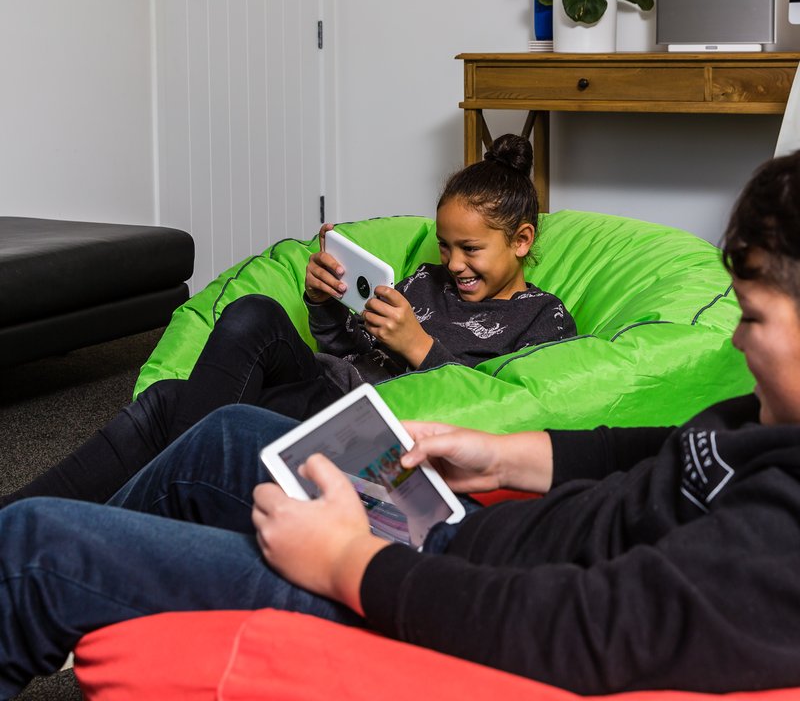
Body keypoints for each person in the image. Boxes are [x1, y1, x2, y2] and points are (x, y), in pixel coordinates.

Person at [3, 153, 799, 699]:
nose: (733, 338)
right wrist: (512, 454)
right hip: (455, 531)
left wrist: (352, 560)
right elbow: (672, 455)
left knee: (39, 547)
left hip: (440, 599)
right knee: (219, 425)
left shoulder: (780, 543)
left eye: (755, 318)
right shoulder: (771, 428)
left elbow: (578, 630)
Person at [0, 134, 575, 509]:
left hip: (374, 430)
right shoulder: (426, 281)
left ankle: (129, 520)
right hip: (326, 387)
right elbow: (348, 347)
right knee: (253, 312)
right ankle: (26, 523)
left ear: (521, 240)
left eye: (470, 249)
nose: (453, 264)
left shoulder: (541, 318)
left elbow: (515, 409)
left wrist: (422, 349)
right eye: (446, 246)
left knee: (169, 404)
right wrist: (326, 303)